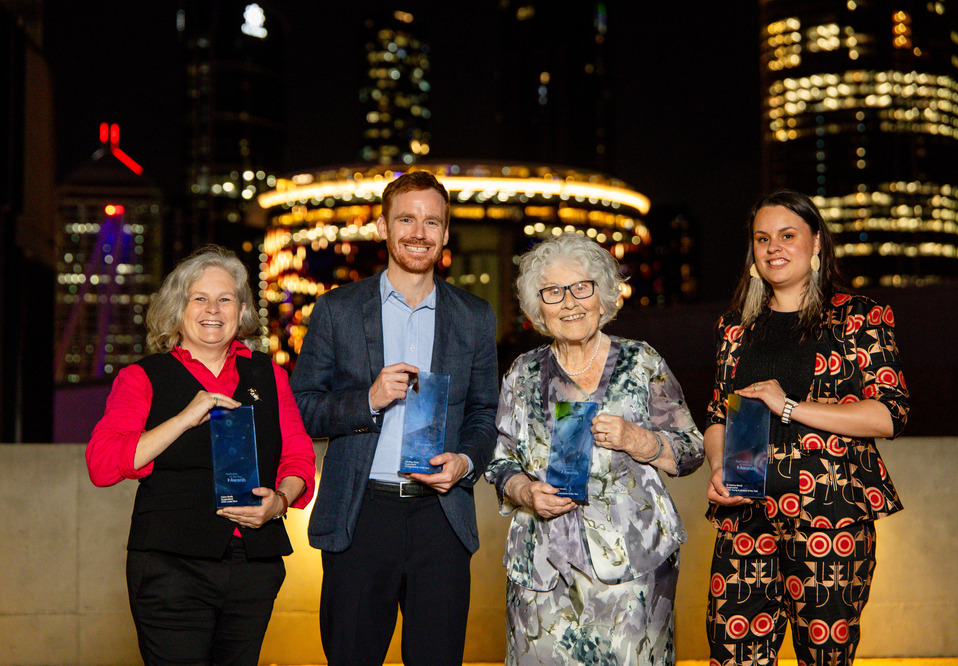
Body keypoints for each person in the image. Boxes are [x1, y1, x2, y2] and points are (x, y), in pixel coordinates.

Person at [290, 170, 499, 665]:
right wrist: (368, 400)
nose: (418, 232)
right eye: (406, 219)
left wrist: (466, 463)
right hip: (360, 515)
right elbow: (301, 407)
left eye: (432, 222)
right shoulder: (336, 311)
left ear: (446, 234)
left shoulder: (474, 316)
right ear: (383, 227)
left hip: (441, 518)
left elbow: (485, 412)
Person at [704, 191, 909, 665]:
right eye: (762, 238)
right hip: (745, 511)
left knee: (824, 657)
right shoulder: (735, 327)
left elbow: (889, 414)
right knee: (732, 652)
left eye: (788, 235)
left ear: (816, 243)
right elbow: (719, 415)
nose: (773, 247)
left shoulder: (858, 316)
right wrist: (718, 466)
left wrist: (789, 405)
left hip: (828, 514)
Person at [86, 245, 316, 665]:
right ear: (179, 308)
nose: (214, 309)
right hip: (171, 567)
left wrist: (280, 501)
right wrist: (185, 418)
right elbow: (102, 465)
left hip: (254, 566)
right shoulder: (141, 377)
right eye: (200, 298)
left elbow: (298, 455)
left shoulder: (269, 374)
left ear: (242, 310)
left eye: (225, 298)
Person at [485, 233, 705, 666]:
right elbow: (500, 459)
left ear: (602, 296)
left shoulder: (642, 362)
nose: (569, 302)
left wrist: (639, 440)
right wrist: (525, 492)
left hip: (633, 566)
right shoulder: (523, 373)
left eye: (581, 287)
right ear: (538, 307)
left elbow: (691, 449)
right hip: (543, 568)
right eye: (553, 291)